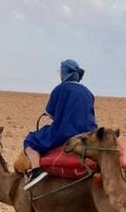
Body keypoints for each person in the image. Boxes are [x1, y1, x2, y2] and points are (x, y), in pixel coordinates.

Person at [22, 59, 97, 190]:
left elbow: (51, 114)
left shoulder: (60, 89)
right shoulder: (88, 93)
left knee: (30, 140)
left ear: (64, 73)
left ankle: (36, 171)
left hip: (66, 131)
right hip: (90, 133)